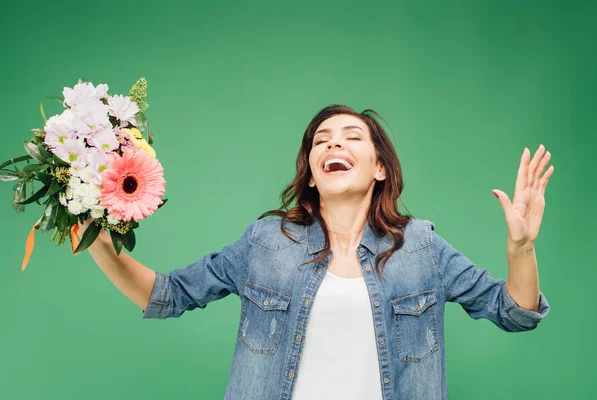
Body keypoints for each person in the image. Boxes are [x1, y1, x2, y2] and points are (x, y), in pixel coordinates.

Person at [78, 105, 552, 400]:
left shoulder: (422, 247)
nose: (333, 143)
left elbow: (514, 312)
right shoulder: (265, 242)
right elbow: (167, 295)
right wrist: (99, 244)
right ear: (310, 171)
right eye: (320, 142)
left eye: (350, 137)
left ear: (380, 168)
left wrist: (522, 247)